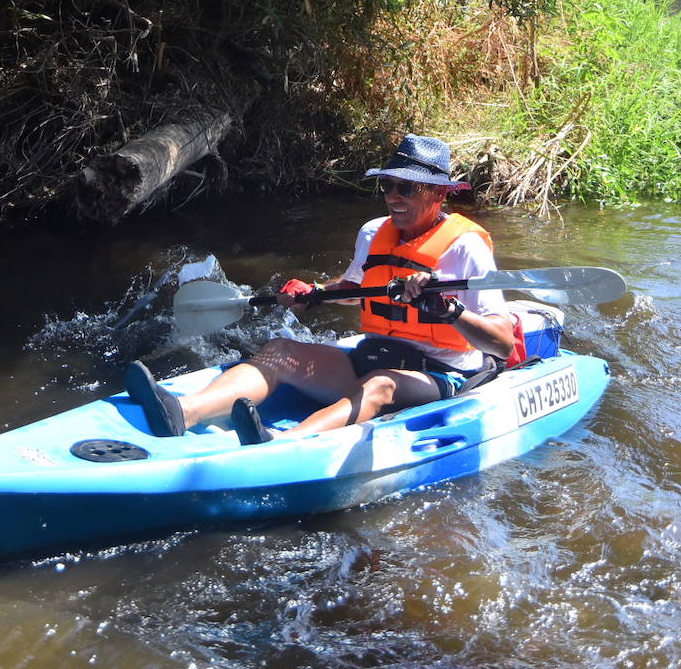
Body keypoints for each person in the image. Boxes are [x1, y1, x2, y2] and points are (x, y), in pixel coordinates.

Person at [125, 133, 516, 445]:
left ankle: (285, 442)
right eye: (387, 186)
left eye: (407, 188)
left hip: (439, 374)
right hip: (373, 355)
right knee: (278, 351)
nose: (393, 196)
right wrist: (313, 292)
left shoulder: (466, 247)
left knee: (381, 384)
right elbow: (356, 288)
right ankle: (182, 411)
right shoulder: (372, 232)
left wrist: (449, 309)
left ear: (440, 194)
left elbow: (501, 345)